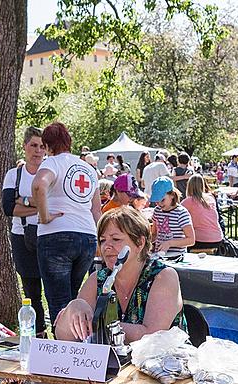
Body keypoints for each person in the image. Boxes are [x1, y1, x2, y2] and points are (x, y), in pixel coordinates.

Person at [55, 206, 186, 342]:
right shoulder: (98, 279)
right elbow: (64, 336)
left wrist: (97, 326)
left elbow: (152, 336)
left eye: (116, 239)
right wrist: (74, 307)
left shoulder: (163, 277)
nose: (106, 246)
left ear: (140, 243)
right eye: (102, 240)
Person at [31, 121, 101, 327]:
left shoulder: (52, 163)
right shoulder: (89, 169)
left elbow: (38, 186)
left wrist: (44, 217)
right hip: (87, 236)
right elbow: (96, 210)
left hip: (56, 236)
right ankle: (78, 343)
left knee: (58, 301)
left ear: (46, 145)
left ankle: (63, 349)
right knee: (73, 298)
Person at [1, 126, 47, 335]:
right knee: (31, 291)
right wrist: (39, 205)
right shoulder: (14, 175)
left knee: (55, 289)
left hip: (48, 236)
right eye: (34, 145)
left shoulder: (49, 172)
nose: (38, 151)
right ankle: (39, 334)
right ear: (25, 146)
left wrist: (25, 201)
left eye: (42, 146)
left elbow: (56, 205)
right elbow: (9, 208)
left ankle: (63, 335)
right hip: (22, 237)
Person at [150, 177, 195, 258]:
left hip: (177, 257)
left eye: (162, 200)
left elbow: (191, 240)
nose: (159, 204)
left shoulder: (181, 213)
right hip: (159, 256)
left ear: (172, 195)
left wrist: (169, 243)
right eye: (156, 201)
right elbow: (154, 234)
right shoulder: (157, 211)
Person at [182, 173, 223, 251]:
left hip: (200, 240)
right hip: (217, 238)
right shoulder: (211, 198)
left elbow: (176, 212)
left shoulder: (189, 201)